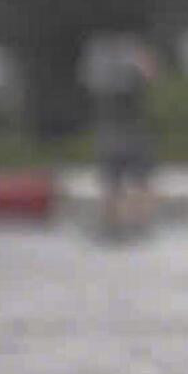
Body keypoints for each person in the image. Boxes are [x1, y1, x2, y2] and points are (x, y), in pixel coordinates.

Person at [78, 31, 159, 240]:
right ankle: (131, 224)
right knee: (131, 181)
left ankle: (122, 224)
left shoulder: (102, 70)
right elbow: (150, 75)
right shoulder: (128, 66)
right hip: (126, 130)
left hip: (119, 130)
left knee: (119, 181)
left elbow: (90, 83)